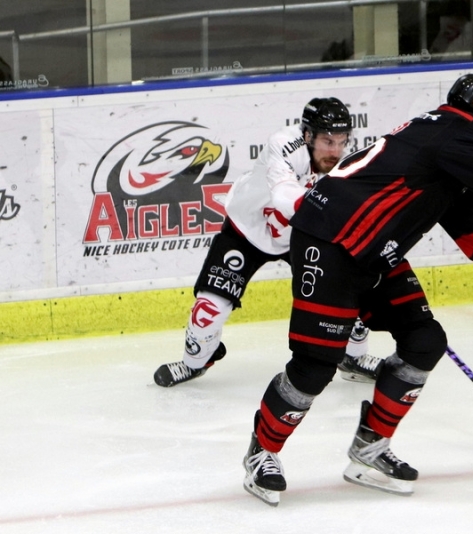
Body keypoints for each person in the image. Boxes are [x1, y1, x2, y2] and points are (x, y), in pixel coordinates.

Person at [241, 73, 473, 506]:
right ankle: (263, 452)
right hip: (328, 241)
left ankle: (370, 448)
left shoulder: (452, 154)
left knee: (425, 342)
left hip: (372, 252)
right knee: (316, 365)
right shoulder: (455, 129)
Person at [152, 97, 384, 387]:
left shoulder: (347, 161)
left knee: (350, 288)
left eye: (341, 141)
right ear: (308, 135)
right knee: (208, 310)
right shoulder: (284, 145)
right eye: (327, 141)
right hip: (246, 230)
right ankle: (195, 362)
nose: (335, 151)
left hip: (299, 237)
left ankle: (354, 357)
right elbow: (284, 197)